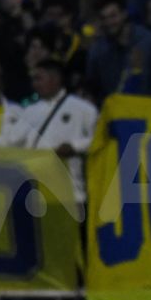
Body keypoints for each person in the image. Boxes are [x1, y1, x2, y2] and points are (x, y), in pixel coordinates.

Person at [22, 59, 99, 208]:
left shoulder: (84, 109)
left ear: (55, 78)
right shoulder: (27, 112)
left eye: (39, 78)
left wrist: (74, 147)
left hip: (73, 193)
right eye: (33, 79)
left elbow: (99, 140)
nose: (35, 84)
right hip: (35, 192)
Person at [85, 0, 151, 103]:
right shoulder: (97, 52)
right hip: (116, 116)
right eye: (104, 18)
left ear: (124, 14)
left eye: (113, 16)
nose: (109, 22)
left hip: (150, 114)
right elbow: (93, 89)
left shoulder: (150, 42)